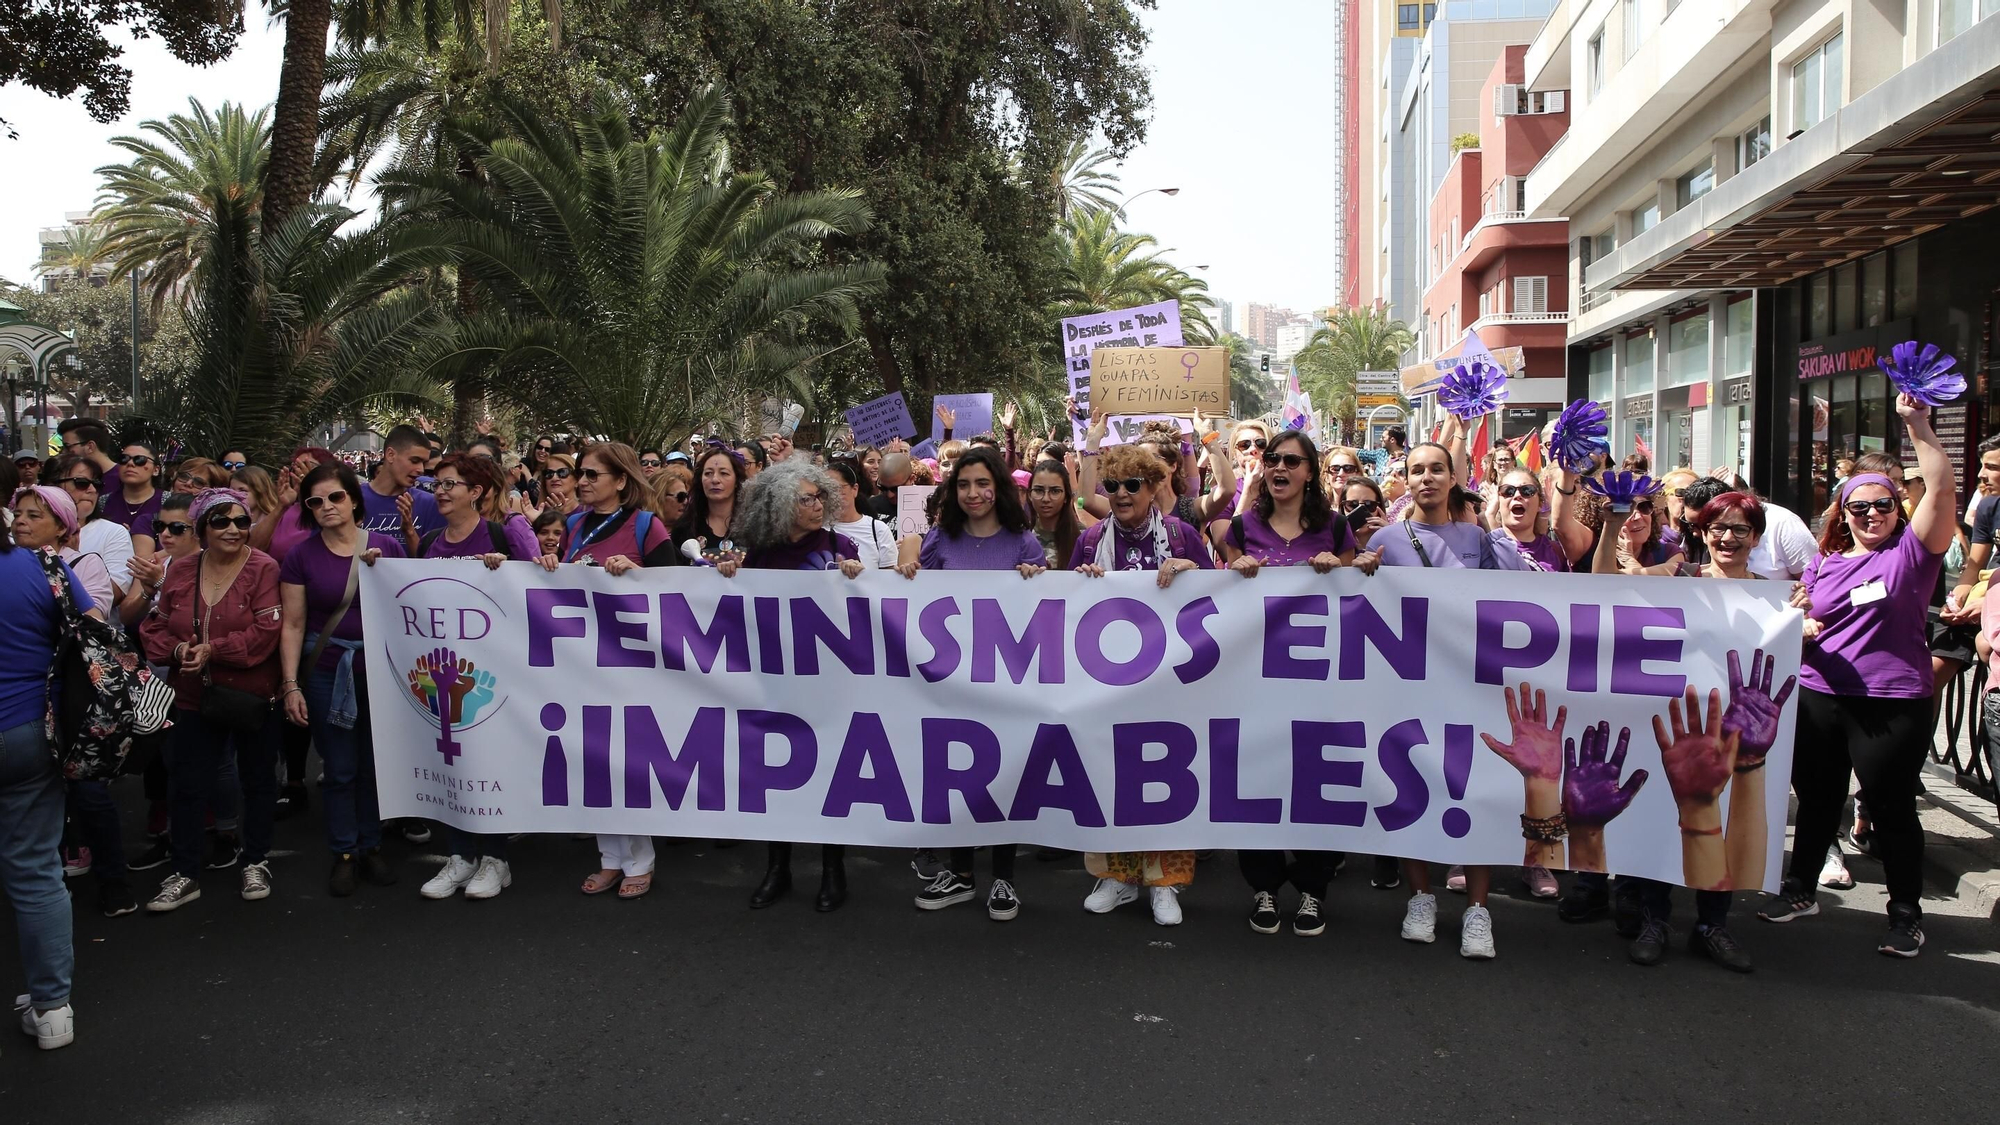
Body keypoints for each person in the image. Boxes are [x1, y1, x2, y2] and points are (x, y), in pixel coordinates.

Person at [1759, 393, 1953, 959]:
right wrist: (1800, 624)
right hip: (1821, 695)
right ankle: (1800, 890)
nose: (1872, 515)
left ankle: (1905, 913)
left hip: (1891, 702)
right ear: (1841, 515)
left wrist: (1916, 423)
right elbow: (1804, 616)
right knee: (1817, 800)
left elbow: (1941, 490)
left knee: (1891, 808)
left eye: (1883, 506)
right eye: (1859, 508)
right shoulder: (1823, 561)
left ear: (1899, 511)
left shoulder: (1912, 556)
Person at [1371, 423, 1530, 959]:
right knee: (1413, 788)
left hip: (1469, 687)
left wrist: (1488, 526)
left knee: (1472, 791)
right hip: (1408, 689)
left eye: (1437, 468)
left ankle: (1478, 911)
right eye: (1417, 470)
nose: (1427, 477)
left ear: (1454, 476)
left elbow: (1512, 600)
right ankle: (1421, 898)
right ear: (1404, 479)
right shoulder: (1383, 541)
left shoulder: (1480, 539)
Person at [889, 446, 1045, 919]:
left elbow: (1045, 617)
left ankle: (1003, 879)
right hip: (949, 685)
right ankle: (959, 873)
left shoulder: (1023, 543)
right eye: (963, 485)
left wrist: (1036, 580)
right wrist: (907, 569)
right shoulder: (941, 539)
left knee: (1004, 778)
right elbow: (914, 594)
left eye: (981, 483)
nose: (973, 493)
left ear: (997, 487)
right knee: (953, 775)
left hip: (1006, 686)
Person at [1068, 442, 1215, 926]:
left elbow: (1219, 600)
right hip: (1109, 686)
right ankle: (1117, 875)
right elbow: (1066, 608)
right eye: (1112, 486)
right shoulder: (1090, 541)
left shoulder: (1181, 534)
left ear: (1154, 487)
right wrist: (1084, 581)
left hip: (1172, 684)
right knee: (1112, 777)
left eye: (1133, 484)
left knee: (1168, 778)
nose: (1122, 494)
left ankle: (1165, 882)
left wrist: (1191, 569)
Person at [1221, 429, 1360, 935]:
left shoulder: (1335, 528)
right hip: (1253, 685)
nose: (1278, 467)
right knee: (1256, 781)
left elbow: (1355, 599)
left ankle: (1311, 890)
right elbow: (1215, 599)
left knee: (1316, 785)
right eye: (1272, 458)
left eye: (1291, 461)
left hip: (1316, 687)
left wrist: (1344, 568)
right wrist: (1231, 568)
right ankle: (1262, 886)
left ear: (1309, 472)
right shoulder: (1240, 528)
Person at [716, 460, 867, 911]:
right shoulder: (759, 554)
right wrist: (727, 574)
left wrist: (859, 580)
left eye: (819, 496)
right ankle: (777, 867)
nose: (817, 505)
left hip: (828, 683)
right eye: (806, 498)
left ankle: (832, 870)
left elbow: (864, 614)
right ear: (780, 504)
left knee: (828, 774)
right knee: (775, 772)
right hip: (774, 682)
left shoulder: (841, 546)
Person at [537, 443, 677, 900]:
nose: (581, 481)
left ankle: (641, 859)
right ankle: (610, 858)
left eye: (592, 474)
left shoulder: (646, 526)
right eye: (580, 473)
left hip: (632, 668)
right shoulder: (574, 525)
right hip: (582, 665)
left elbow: (676, 593)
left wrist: (635, 574)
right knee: (593, 762)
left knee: (628, 763)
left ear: (620, 481)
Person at [137, 488, 284, 912]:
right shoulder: (181, 571)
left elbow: (266, 632)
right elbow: (156, 626)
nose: (234, 529)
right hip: (193, 695)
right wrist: (180, 651)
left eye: (241, 521)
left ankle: (255, 860)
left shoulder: (263, 568)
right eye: (221, 522)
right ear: (202, 528)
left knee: (257, 781)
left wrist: (213, 649)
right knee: (187, 783)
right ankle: (184, 872)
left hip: (252, 693)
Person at [416, 455, 541, 902]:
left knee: (490, 764)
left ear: (478, 491)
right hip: (440, 676)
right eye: (438, 484)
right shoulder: (430, 540)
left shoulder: (502, 534)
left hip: (494, 677)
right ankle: (460, 855)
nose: (442, 491)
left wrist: (506, 571)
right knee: (450, 766)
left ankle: (495, 859)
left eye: (452, 484)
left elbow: (541, 586)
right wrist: (378, 564)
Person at [279, 461, 407, 896]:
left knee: (374, 765)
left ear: (353, 499)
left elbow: (411, 609)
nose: (327, 506)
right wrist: (290, 683)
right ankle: (344, 853)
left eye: (335, 497)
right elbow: (293, 625)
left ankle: (371, 846)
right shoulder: (300, 555)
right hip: (327, 672)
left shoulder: (388, 546)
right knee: (339, 767)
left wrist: (380, 573)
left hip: (381, 673)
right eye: (315, 501)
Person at [12, 484, 138, 918]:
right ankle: (49, 879)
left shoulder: (78, 566)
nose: (22, 522)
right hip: (31, 706)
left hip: (73, 700)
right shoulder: (13, 565)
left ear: (63, 528)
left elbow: (95, 627)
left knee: (88, 792)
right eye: (19, 513)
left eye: (35, 515)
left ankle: (113, 879)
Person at [0, 474, 91, 1049]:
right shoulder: (46, 570)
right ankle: (53, 1006)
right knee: (36, 871)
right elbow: (98, 639)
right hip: (29, 732)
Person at [50, 453, 137, 597]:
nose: (92, 490)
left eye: (97, 484)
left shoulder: (113, 532)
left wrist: (72, 559)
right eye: (81, 483)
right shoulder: (31, 529)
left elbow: (113, 594)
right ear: (55, 486)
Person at [360, 424, 444, 556]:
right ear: (390, 454)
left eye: (423, 463)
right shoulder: (353, 500)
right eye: (415, 461)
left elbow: (434, 564)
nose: (421, 469)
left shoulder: (430, 505)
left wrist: (410, 532)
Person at [676, 444, 747, 561]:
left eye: (724, 473)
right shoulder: (686, 526)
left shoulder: (755, 526)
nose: (715, 480)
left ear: (736, 480)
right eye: (708, 473)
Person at [829, 458, 896, 569]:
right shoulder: (818, 530)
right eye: (826, 490)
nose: (832, 495)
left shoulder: (879, 530)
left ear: (854, 489)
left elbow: (889, 580)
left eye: (836, 488)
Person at [1027, 459, 1086, 567]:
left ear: (1066, 497)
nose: (1046, 498)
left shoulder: (1084, 537)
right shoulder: (1020, 535)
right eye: (1039, 490)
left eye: (1055, 491)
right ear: (1030, 495)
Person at [102, 441, 164, 538]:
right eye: (124, 459)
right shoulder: (103, 502)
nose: (130, 463)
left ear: (156, 470)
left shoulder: (168, 501)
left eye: (140, 460)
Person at [654, 462, 693, 528]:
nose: (686, 502)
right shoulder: (639, 530)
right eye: (681, 496)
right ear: (660, 496)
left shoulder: (693, 531)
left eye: (687, 496)